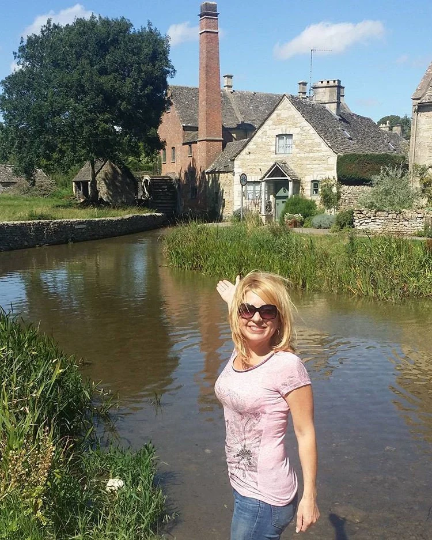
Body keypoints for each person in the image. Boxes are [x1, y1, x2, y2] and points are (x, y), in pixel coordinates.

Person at [215, 271, 319, 540]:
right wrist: (234, 300)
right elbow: (246, 324)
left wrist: (309, 496)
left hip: (265, 498)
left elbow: (305, 433)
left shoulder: (287, 366)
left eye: (268, 311)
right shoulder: (241, 349)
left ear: (279, 317)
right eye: (248, 309)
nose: (257, 317)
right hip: (241, 483)